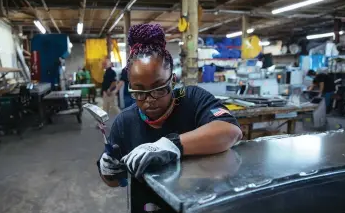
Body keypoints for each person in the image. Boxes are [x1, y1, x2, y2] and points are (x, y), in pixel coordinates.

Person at [98, 24, 242, 187]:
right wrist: (109, 171)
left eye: (159, 89)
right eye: (139, 92)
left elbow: (231, 131)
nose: (149, 99)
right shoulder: (125, 122)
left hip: (198, 198)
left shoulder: (192, 99)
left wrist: (173, 145)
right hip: (147, 207)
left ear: (173, 81)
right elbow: (116, 182)